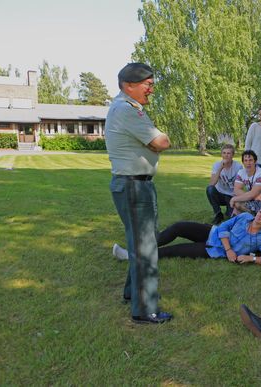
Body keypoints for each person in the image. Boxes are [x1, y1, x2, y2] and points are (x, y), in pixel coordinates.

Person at [105, 62, 172, 324]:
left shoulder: (125, 108)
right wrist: (155, 145)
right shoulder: (127, 110)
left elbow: (155, 144)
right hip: (134, 186)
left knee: (142, 242)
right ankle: (145, 310)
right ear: (129, 85)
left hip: (135, 184)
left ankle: (131, 293)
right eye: (148, 85)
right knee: (145, 247)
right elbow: (161, 142)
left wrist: (153, 146)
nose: (151, 90)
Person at [114, 207, 261, 265]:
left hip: (213, 251)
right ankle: (140, 247)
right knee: (178, 227)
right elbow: (223, 227)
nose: (259, 216)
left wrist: (252, 259)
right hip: (211, 233)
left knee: (174, 251)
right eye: (260, 212)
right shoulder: (245, 217)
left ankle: (132, 256)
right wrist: (229, 249)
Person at [230, 150, 261, 214]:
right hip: (256, 202)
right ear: (243, 162)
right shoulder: (241, 172)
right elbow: (236, 190)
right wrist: (254, 197)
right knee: (238, 203)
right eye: (245, 160)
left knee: (237, 200)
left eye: (250, 160)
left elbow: (252, 194)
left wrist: (234, 198)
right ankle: (249, 219)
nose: (248, 163)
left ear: (255, 161)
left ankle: (253, 219)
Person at [206, 144, 242, 224]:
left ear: (232, 155)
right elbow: (212, 183)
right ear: (221, 154)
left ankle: (229, 210)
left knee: (232, 218)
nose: (226, 155)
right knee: (210, 189)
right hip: (220, 195)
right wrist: (220, 168)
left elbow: (239, 186)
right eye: (224, 153)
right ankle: (218, 214)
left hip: (232, 196)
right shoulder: (216, 165)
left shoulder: (238, 167)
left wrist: (236, 200)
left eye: (228, 153)